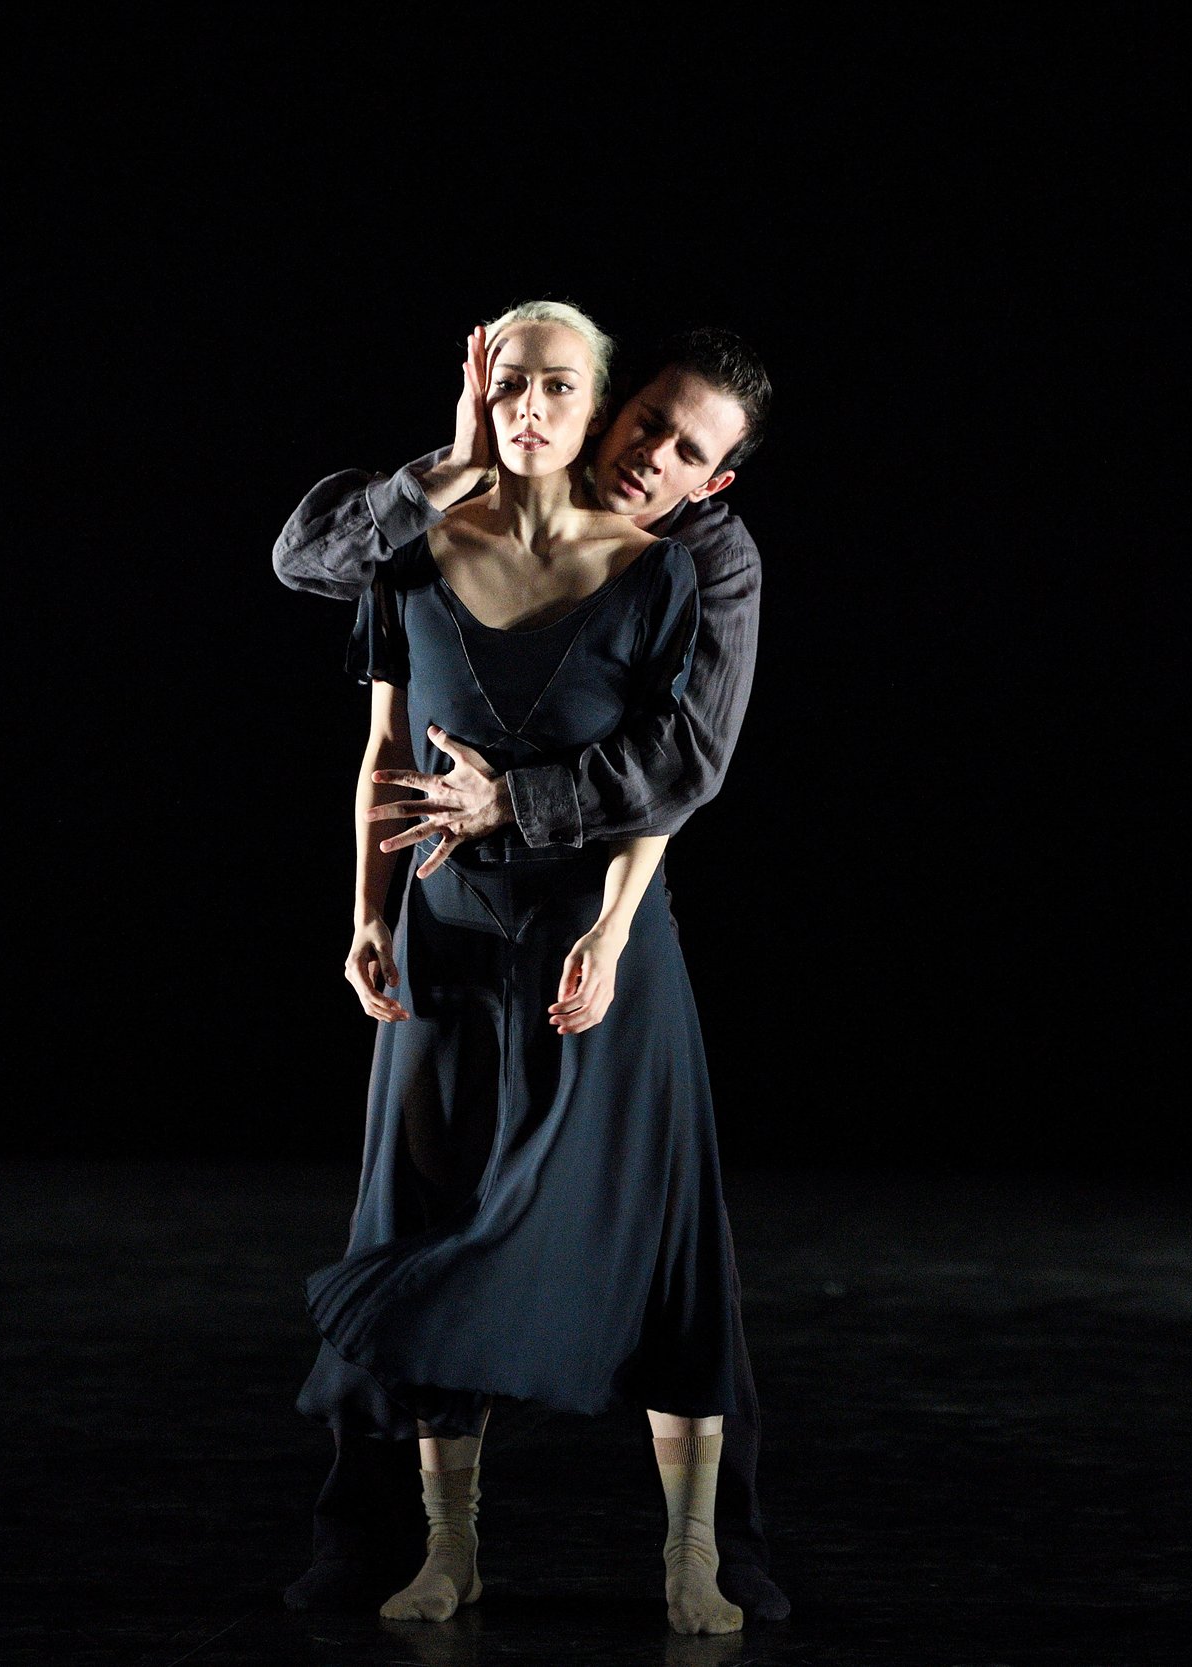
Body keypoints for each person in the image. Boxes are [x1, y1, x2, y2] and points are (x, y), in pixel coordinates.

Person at [273, 321, 787, 1624]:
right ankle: (422, 1548)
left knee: (661, 1239)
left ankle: (706, 1555)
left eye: (687, 451)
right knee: (426, 1220)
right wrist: (368, 909)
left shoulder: (693, 565)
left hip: (588, 932)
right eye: (647, 424)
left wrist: (592, 913)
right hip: (448, 943)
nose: (650, 456)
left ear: (712, 477)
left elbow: (676, 778)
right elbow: (358, 688)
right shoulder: (418, 539)